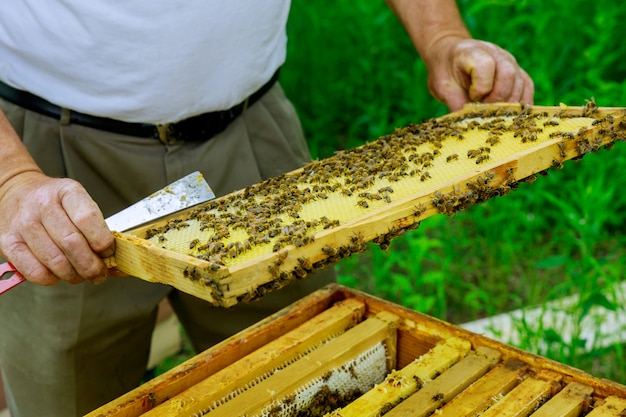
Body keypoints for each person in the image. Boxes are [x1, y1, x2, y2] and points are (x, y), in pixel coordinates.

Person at [0, 1, 534, 416]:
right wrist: (11, 180)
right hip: (52, 171)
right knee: (71, 398)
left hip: (252, 133)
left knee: (313, 374)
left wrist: (442, 36)